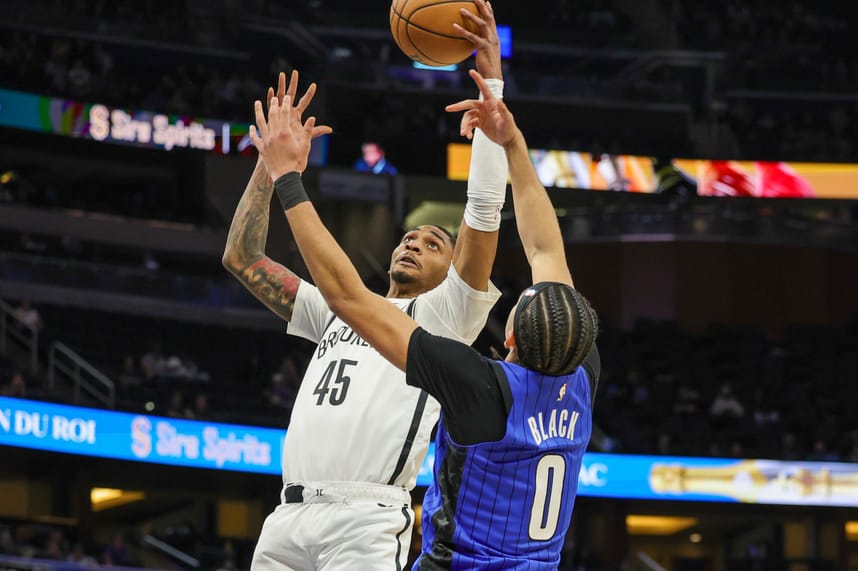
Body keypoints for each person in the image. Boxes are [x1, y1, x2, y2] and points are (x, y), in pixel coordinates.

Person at [250, 67, 600, 570]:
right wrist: (509, 136)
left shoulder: (476, 379)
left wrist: (286, 178)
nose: (414, 243)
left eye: (433, 242)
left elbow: (350, 295)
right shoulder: (576, 375)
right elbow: (546, 251)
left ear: (508, 343)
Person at [222, 3, 508, 568]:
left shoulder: (448, 317)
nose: (413, 242)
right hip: (287, 515)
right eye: (411, 237)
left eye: (433, 243)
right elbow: (242, 257)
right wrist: (267, 162)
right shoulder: (342, 313)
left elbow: (483, 208)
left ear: (453, 274)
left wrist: (492, 83)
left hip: (366, 518)